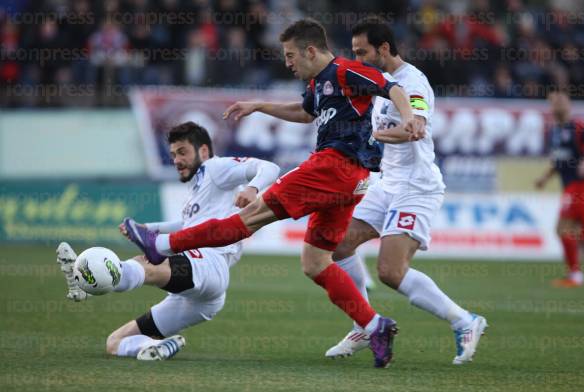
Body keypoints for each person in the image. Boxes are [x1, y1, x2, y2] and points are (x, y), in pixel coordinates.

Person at [122, 18, 423, 368]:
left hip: (332, 167)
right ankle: (375, 325)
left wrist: (411, 118)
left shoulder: (345, 71)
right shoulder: (317, 84)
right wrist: (260, 105)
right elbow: (306, 113)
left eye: (291, 55)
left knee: (244, 220)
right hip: (350, 181)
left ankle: (159, 245)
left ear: (311, 50)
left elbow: (391, 87)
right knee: (315, 262)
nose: (288, 62)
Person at [324, 17, 487, 365]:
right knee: (337, 245)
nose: (357, 59)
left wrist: (377, 136)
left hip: (417, 187)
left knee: (390, 272)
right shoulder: (374, 82)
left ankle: (465, 320)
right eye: (353, 53)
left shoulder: (412, 83)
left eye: (362, 52)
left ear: (383, 48)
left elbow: (415, 129)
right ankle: (364, 324)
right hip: (387, 183)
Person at [56, 121, 280, 360]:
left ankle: (85, 284)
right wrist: (149, 229)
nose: (176, 160)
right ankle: (151, 348)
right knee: (115, 342)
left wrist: (253, 188)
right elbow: (185, 227)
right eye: (173, 154)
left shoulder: (216, 168)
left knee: (146, 264)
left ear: (203, 151)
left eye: (182, 152)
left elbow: (269, 167)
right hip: (202, 299)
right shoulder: (198, 187)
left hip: (209, 263)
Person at [535, 90, 584, 287]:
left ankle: (575, 275)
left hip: (580, 185)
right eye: (554, 102)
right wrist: (544, 177)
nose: (557, 105)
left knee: (562, 229)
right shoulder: (554, 132)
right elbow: (557, 160)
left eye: (561, 101)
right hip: (569, 187)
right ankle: (575, 273)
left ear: (569, 104)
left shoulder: (579, 127)